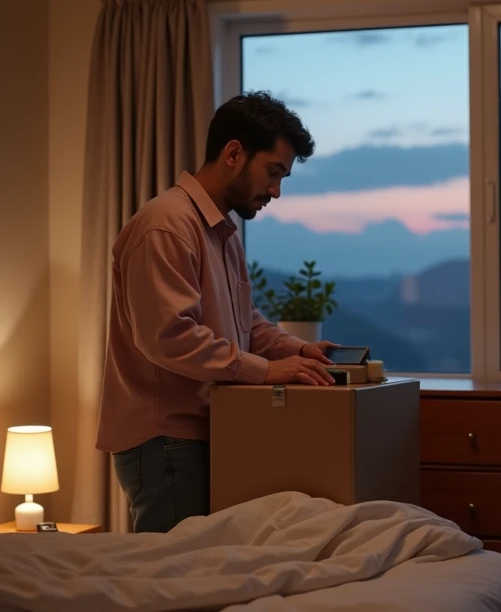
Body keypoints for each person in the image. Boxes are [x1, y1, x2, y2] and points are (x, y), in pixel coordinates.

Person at [97, 91, 338, 533]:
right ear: (233, 153)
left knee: (197, 578)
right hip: (166, 441)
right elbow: (168, 336)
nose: (276, 191)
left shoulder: (219, 233)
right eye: (273, 172)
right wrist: (265, 370)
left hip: (199, 435)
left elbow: (245, 322)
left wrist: (299, 352)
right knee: (173, 582)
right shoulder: (165, 226)